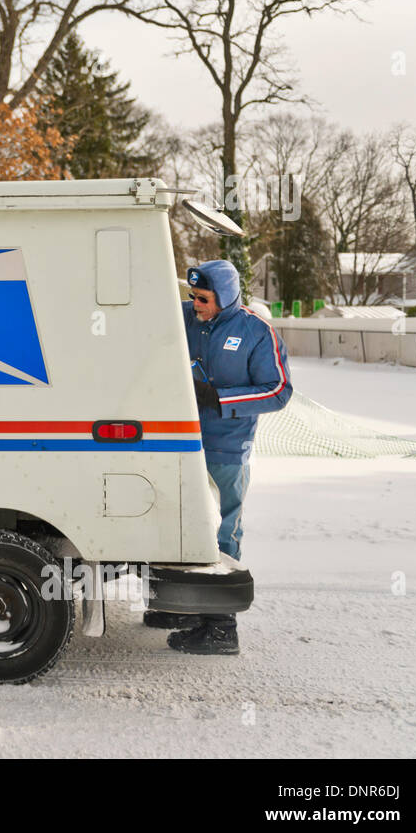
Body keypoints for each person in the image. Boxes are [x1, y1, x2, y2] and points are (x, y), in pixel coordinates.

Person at [146, 259, 293, 654]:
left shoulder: (255, 330)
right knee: (177, 522)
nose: (196, 304)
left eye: (205, 298)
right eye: (193, 296)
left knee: (222, 531)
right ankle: (182, 608)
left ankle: (220, 628)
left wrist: (219, 399)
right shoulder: (185, 317)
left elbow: (278, 390)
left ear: (225, 296)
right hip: (178, 444)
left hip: (226, 450)